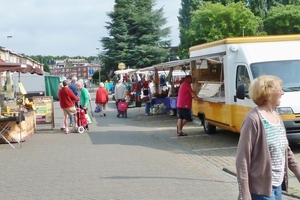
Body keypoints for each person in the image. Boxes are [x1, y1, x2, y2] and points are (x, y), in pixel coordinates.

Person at [236, 75, 300, 200]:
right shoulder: (253, 119)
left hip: (277, 186)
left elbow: (285, 150)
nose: (282, 93)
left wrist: (298, 172)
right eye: (279, 89)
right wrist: (244, 192)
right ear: (268, 93)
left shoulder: (276, 116)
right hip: (260, 189)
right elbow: (242, 159)